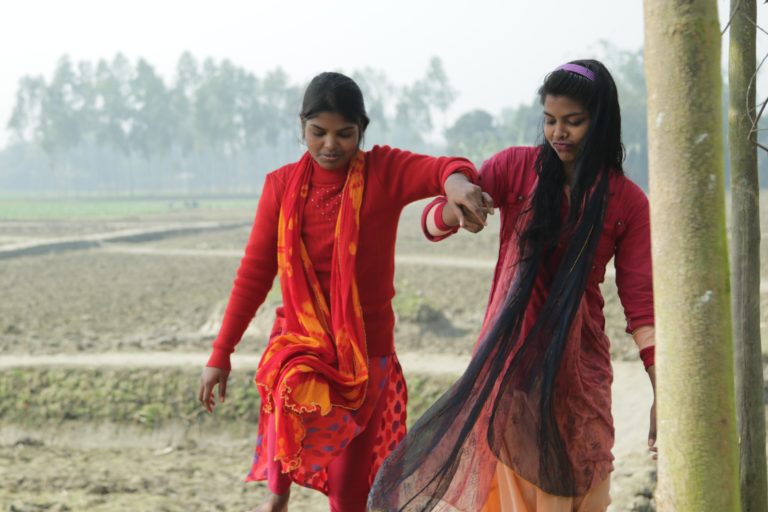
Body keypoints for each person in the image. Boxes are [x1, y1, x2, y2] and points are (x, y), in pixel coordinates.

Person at [369, 60, 656, 512]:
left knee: (584, 479)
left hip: (579, 373)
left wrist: (662, 389)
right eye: (550, 120)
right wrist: (458, 204)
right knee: (515, 488)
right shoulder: (517, 168)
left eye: (573, 122)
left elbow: (642, 307)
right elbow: (430, 222)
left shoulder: (627, 201)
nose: (558, 133)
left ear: (600, 121)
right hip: (510, 368)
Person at [197, 71, 487, 512]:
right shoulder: (280, 186)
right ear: (302, 128)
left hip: (364, 358)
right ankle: (278, 494)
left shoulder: (383, 172)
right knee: (288, 382)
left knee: (348, 493)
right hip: (303, 346)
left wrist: (458, 184)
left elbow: (444, 168)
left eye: (344, 134)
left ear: (362, 132)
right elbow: (256, 272)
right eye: (318, 133)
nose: (330, 145)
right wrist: (221, 353)